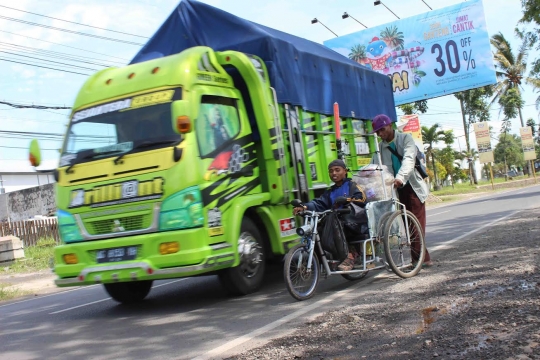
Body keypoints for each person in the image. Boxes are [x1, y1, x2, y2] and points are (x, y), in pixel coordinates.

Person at [370, 114, 433, 267]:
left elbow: (409, 160)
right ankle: (423, 258)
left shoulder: (405, 139)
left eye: (382, 130)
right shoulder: (380, 147)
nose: (380, 134)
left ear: (390, 125)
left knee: (416, 224)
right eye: (377, 132)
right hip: (395, 191)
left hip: (412, 187)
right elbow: (374, 166)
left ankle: (419, 260)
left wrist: (400, 178)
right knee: (408, 225)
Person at [293, 159, 367, 271]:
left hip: (354, 222)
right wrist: (304, 207)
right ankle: (325, 257)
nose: (334, 173)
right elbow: (319, 203)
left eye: (337, 170)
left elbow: (362, 199)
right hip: (337, 220)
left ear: (345, 171)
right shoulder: (330, 192)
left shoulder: (352, 185)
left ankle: (350, 256)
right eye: (331, 171)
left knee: (334, 220)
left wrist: (347, 200)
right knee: (319, 225)